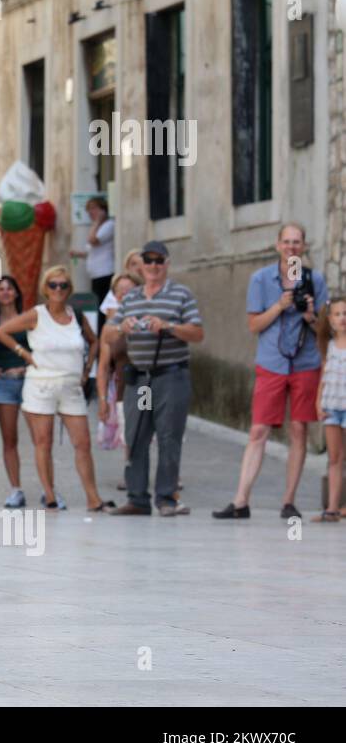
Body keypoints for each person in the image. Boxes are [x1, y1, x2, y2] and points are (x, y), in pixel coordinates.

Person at [214, 224, 327, 520]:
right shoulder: (261, 279)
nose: (291, 247)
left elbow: (323, 331)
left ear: (303, 247)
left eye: (297, 242)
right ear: (277, 245)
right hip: (272, 362)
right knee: (258, 430)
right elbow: (254, 326)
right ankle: (241, 500)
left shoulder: (315, 279)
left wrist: (310, 315)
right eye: (286, 242)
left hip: (305, 363)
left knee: (299, 429)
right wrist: (280, 305)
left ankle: (288, 501)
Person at [0, 265, 112, 512]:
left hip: (71, 387)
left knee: (82, 443)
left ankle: (93, 498)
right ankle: (49, 495)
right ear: (45, 289)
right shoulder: (37, 314)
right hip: (41, 385)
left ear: (69, 289)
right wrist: (23, 353)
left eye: (63, 285)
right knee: (43, 442)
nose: (58, 289)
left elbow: (94, 341)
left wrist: (87, 366)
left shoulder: (76, 315)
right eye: (53, 285)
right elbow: (1, 331)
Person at [104, 240, 203, 516]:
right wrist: (121, 327)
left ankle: (167, 498)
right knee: (137, 433)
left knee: (169, 436)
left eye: (159, 260)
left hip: (170, 376)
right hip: (143, 380)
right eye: (148, 260)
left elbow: (197, 333)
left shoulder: (181, 294)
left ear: (167, 264)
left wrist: (169, 326)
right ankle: (137, 498)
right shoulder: (132, 298)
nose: (153, 266)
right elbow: (107, 336)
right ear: (142, 264)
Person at [0, 275, 27, 508]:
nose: (5, 292)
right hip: (5, 383)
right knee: (9, 439)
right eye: (0, 289)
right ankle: (16, 488)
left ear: (16, 293)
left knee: (42, 438)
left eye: (9, 288)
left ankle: (49, 490)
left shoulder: (28, 318)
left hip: (30, 381)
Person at [96, 271, 143, 452]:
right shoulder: (110, 328)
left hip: (146, 387)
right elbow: (103, 366)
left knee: (145, 429)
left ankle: (166, 474)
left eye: (129, 290)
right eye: (120, 291)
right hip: (123, 389)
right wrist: (102, 399)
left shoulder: (148, 319)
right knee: (128, 433)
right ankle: (131, 473)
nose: (124, 295)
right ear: (114, 295)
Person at [313, 298, 346, 522]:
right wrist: (318, 402)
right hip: (332, 406)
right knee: (334, 458)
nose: (343, 318)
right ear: (330, 320)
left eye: (345, 313)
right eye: (337, 314)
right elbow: (324, 376)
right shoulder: (329, 346)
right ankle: (332, 508)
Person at [70, 196, 115, 336]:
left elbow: (93, 240)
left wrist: (96, 222)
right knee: (97, 308)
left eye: (93, 209)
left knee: (103, 309)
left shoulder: (109, 225)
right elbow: (92, 252)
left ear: (102, 209)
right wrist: (78, 254)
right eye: (88, 209)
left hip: (105, 274)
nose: (90, 212)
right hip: (96, 275)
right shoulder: (96, 227)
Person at [100, 250, 143, 324]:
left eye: (141, 264)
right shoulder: (116, 289)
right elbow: (111, 322)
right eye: (134, 264)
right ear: (127, 267)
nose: (138, 268)